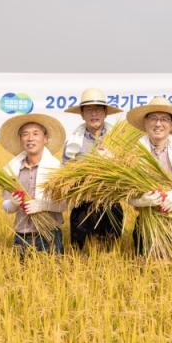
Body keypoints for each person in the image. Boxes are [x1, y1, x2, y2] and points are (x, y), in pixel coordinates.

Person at [125, 96, 172, 254]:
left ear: (171, 125)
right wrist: (141, 201)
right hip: (147, 220)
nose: (158, 124)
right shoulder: (133, 155)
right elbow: (127, 194)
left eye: (164, 119)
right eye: (153, 118)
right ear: (145, 123)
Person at [0, 113, 67, 260]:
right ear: (21, 139)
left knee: (52, 279)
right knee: (21, 279)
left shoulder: (56, 169)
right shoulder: (12, 170)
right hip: (21, 234)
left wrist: (42, 205)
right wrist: (12, 203)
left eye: (36, 133)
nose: (30, 138)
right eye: (25, 134)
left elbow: (63, 204)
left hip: (49, 234)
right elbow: (6, 207)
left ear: (45, 139)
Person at [62, 88, 124, 250]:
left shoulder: (118, 139)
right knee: (79, 253)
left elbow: (127, 168)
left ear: (105, 113)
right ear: (82, 114)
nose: (94, 114)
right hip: (82, 206)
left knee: (110, 253)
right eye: (89, 110)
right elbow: (65, 173)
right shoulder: (73, 142)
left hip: (111, 204)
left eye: (98, 109)